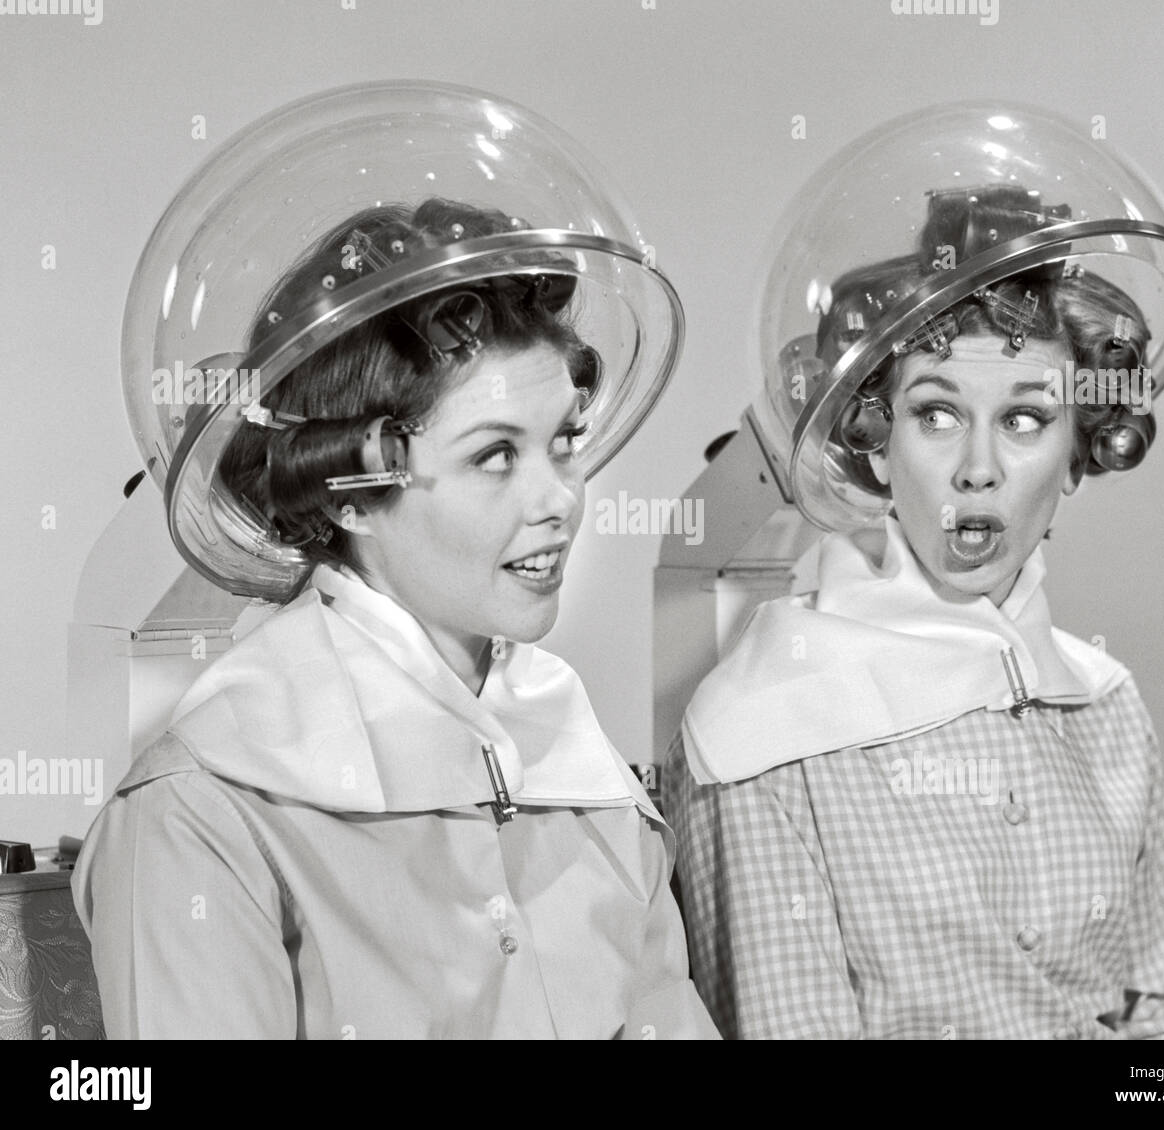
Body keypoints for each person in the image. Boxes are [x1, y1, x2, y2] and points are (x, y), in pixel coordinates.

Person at [74, 83, 717, 1040]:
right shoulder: (203, 812)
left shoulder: (582, 776)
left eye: (565, 443)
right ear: (351, 485)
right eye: (495, 455)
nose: (560, 500)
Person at [662, 148, 1164, 1040]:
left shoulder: (1107, 708)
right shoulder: (758, 739)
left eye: (1024, 419)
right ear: (874, 441)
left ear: (1080, 451)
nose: (977, 470)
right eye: (935, 413)